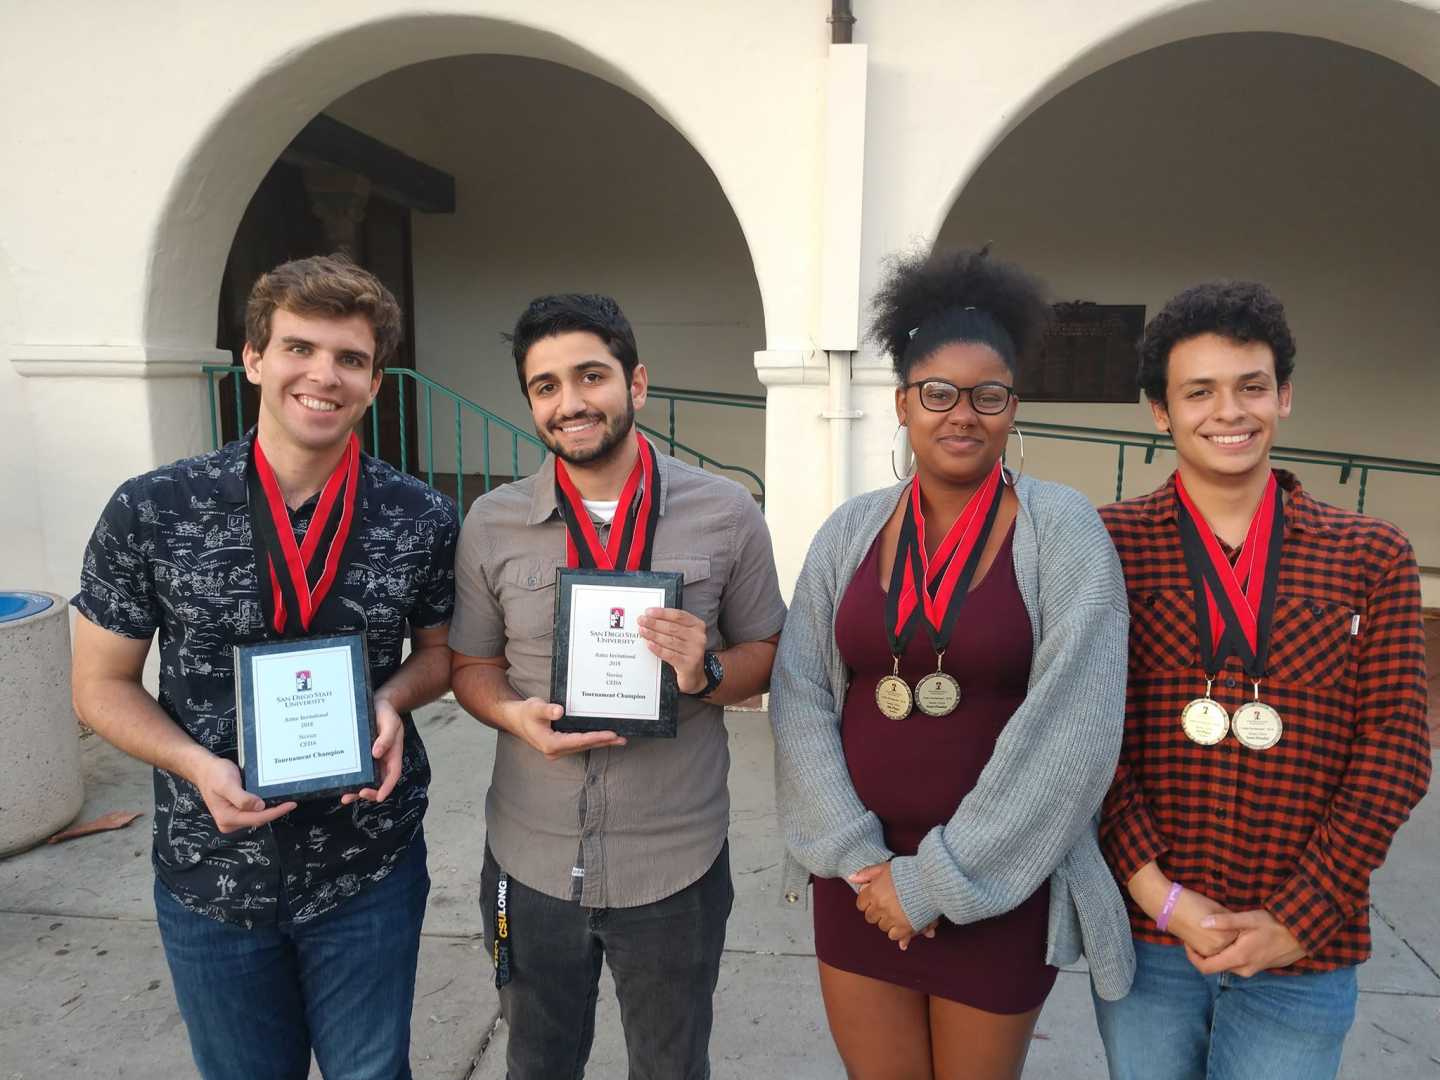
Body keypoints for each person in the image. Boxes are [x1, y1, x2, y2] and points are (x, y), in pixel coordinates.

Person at [70, 255, 459, 1080]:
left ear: (375, 381)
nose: (323, 375)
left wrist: (392, 700)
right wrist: (195, 764)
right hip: (210, 872)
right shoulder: (154, 510)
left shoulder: (418, 516)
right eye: (299, 348)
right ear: (253, 358)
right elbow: (99, 685)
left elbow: (439, 655)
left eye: (350, 359)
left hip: (368, 866)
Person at [771, 248, 1136, 1080]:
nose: (960, 414)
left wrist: (936, 882)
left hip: (995, 886)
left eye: (988, 395)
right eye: (937, 392)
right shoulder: (849, 531)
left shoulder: (1065, 531)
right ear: (902, 404)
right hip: (857, 880)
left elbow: (1073, 733)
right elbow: (798, 694)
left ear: (1014, 408)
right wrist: (862, 860)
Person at [1092, 281, 1432, 1080]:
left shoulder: (1371, 555)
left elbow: (1396, 751)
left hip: (1306, 949)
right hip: (1147, 940)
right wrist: (1158, 894)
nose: (1229, 411)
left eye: (1251, 387)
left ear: (1284, 396)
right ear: (1159, 411)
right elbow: (1081, 735)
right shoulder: (1107, 545)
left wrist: (1298, 915)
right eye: (1198, 391)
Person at [448, 293, 787, 1080]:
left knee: (670, 1067)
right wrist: (510, 714)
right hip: (529, 862)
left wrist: (704, 673)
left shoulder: (726, 512)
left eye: (590, 376)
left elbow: (768, 649)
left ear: (636, 384)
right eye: (546, 386)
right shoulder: (492, 522)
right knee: (536, 1062)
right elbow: (469, 665)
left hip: (675, 864)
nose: (571, 402)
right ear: (532, 402)